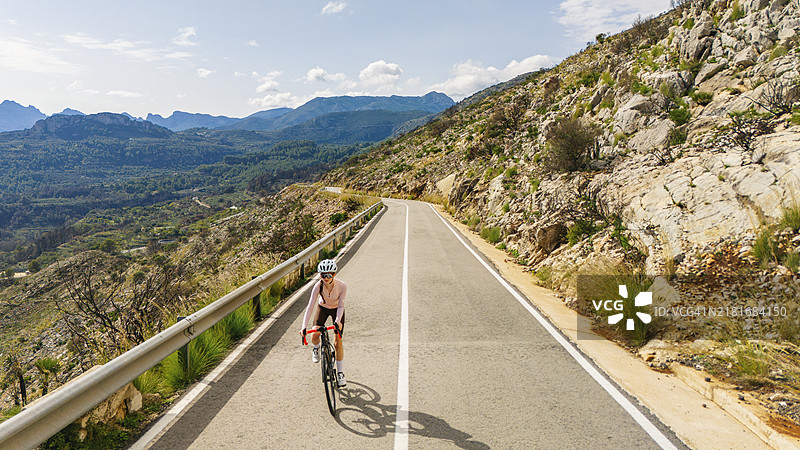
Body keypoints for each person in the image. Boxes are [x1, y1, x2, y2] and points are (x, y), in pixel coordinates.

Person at [301, 259, 347, 387]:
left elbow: (341, 306)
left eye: (329, 274)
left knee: (337, 341)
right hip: (323, 309)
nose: (326, 278)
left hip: (337, 310)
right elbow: (310, 307)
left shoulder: (342, 286)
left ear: (334, 274)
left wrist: (338, 321)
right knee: (314, 335)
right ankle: (316, 349)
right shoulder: (318, 286)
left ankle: (340, 373)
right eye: (323, 275)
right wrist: (303, 327)